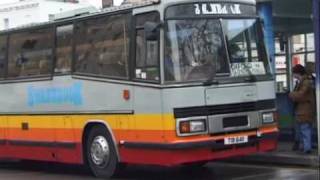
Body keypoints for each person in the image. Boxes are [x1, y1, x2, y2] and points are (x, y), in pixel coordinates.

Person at [289, 64, 316, 154]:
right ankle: (306, 146)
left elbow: (301, 95)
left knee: (305, 129)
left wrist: (291, 94)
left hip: (305, 109)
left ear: (298, 73)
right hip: (303, 109)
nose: (293, 75)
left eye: (294, 73)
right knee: (305, 129)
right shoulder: (302, 81)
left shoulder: (305, 82)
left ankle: (307, 148)